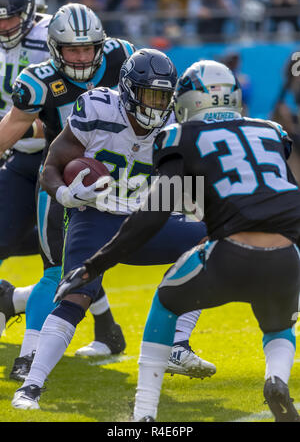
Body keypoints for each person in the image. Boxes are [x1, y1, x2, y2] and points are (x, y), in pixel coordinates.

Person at [54, 59, 300, 422]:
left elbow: (151, 217)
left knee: (167, 302)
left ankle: (144, 413)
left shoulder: (180, 137)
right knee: (278, 323)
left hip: (230, 251)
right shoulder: (272, 131)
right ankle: (276, 377)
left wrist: (94, 266)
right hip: (287, 252)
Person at [11, 49, 217, 410]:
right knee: (76, 296)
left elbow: (192, 184)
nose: (158, 104)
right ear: (127, 90)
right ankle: (30, 386)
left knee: (210, 241)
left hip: (146, 217)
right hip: (95, 216)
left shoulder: (174, 124)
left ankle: (178, 345)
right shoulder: (98, 108)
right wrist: (66, 195)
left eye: (164, 95)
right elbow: (51, 167)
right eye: (150, 94)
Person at [0, 2, 136, 381]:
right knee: (57, 269)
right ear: (55, 49)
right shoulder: (38, 80)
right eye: (72, 49)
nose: (81, 56)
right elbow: (9, 130)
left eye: (88, 48)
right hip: (60, 180)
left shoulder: (123, 57)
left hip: (122, 183)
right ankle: (29, 356)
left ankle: (172, 344)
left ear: (101, 44)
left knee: (96, 267)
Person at [0, 0, 50, 326]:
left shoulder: (54, 37)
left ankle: (14, 306)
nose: (4, 27)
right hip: (19, 155)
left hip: (62, 156)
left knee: (64, 253)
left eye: (10, 17)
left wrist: (23, 129)